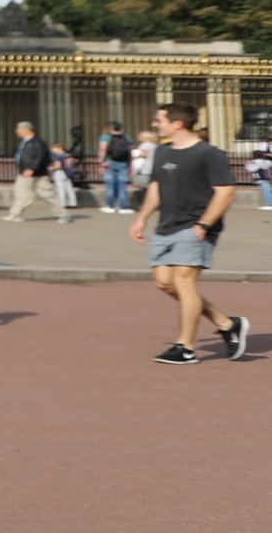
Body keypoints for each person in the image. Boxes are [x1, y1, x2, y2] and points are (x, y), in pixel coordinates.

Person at [131, 101, 248, 365]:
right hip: (166, 227)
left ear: (178, 123)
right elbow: (155, 189)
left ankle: (186, 347)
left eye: (159, 120)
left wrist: (204, 226)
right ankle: (227, 323)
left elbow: (226, 192)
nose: (155, 124)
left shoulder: (209, 154)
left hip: (196, 226)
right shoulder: (161, 152)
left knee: (184, 282)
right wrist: (141, 219)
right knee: (164, 282)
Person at [4, 121, 60, 222]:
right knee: (21, 194)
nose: (17, 131)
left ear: (26, 130)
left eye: (18, 129)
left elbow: (40, 157)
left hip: (36, 174)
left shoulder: (38, 142)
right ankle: (15, 214)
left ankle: (63, 214)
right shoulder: (25, 141)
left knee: (47, 195)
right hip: (24, 173)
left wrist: (32, 169)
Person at [99, 122, 134, 213]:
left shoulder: (105, 137)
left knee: (110, 185)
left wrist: (101, 162)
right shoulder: (127, 137)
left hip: (109, 163)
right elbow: (130, 152)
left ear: (110, 128)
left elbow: (103, 150)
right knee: (122, 186)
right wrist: (130, 164)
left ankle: (110, 206)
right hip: (123, 163)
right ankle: (123, 207)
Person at [50, 143, 79, 212]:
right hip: (68, 173)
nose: (53, 150)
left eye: (54, 149)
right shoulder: (68, 155)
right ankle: (73, 203)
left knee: (60, 188)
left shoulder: (59, 156)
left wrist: (52, 168)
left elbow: (58, 166)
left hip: (60, 172)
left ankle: (62, 203)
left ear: (60, 148)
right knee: (69, 188)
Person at [250, 144, 272, 210]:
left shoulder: (254, 162)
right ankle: (269, 204)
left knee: (266, 191)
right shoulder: (266, 162)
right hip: (267, 178)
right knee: (268, 190)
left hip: (261, 179)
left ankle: (270, 204)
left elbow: (250, 169)